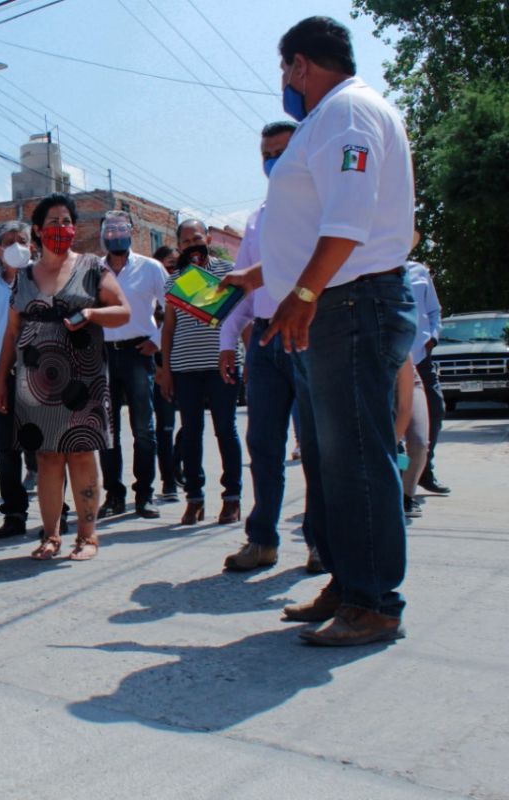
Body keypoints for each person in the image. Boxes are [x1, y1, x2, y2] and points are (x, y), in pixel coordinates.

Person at [227, 16, 416, 646]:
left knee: (356, 454)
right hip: (337, 303)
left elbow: (350, 219)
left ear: (300, 65)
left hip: (350, 304)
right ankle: (349, 582)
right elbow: (313, 226)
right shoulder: (328, 119)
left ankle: (374, 602)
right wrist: (262, 275)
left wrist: (303, 293)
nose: (284, 80)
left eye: (285, 68)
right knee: (333, 456)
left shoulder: (346, 114)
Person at [0, 193, 130, 561]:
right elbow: (11, 332)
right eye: (53, 222)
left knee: (82, 453)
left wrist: (92, 313)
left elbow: (123, 311)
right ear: (38, 230)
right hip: (36, 382)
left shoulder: (92, 267)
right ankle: (51, 536)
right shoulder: (23, 277)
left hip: (84, 379)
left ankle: (87, 537)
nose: (61, 228)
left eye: (67, 221)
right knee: (47, 458)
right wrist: (1, 380)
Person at [218, 121, 323, 574]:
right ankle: (261, 540)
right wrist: (227, 341)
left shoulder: (321, 203)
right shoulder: (258, 217)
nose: (273, 162)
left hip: (308, 334)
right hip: (263, 341)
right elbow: (244, 287)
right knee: (262, 444)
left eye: (281, 151)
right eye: (266, 154)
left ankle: (321, 543)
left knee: (316, 446)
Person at [155, 220, 243, 526]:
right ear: (179, 245)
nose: (193, 245)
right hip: (184, 367)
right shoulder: (174, 280)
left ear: (207, 238)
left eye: (197, 238)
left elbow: (241, 316)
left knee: (226, 430)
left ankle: (232, 498)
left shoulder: (229, 271)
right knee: (191, 433)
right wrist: (166, 370)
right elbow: (168, 328)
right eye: (186, 241)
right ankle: (194, 499)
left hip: (222, 364)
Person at [95, 211, 167, 520]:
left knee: (143, 429)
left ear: (132, 231)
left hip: (139, 353)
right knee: (107, 431)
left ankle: (145, 495)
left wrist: (157, 341)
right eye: (109, 230)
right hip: (104, 356)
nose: (115, 235)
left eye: (121, 229)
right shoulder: (94, 270)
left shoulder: (151, 268)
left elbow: (173, 306)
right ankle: (114, 495)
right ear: (102, 235)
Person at [0, 222, 34, 538]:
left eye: (22, 240)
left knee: (45, 448)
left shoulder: (43, 281)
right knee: (6, 449)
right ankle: (14, 513)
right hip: (2, 376)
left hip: (39, 374)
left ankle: (57, 513)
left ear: (32, 247)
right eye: (9, 241)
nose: (16, 246)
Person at [408, 261, 448, 495]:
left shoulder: (419, 271)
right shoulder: (376, 268)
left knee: (435, 409)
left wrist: (432, 337)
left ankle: (424, 469)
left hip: (421, 357)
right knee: (398, 421)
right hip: (391, 358)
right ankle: (404, 474)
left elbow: (434, 311)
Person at [151, 245, 182, 500]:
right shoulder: (152, 297)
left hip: (186, 365)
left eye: (176, 265)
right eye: (168, 265)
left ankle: (178, 463)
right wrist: (159, 368)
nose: (172, 270)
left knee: (192, 425)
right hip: (159, 368)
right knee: (164, 427)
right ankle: (169, 480)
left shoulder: (185, 287)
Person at [394, 356, 429, 518]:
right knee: (393, 447)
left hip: (406, 375)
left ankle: (406, 495)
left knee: (419, 442)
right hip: (369, 381)